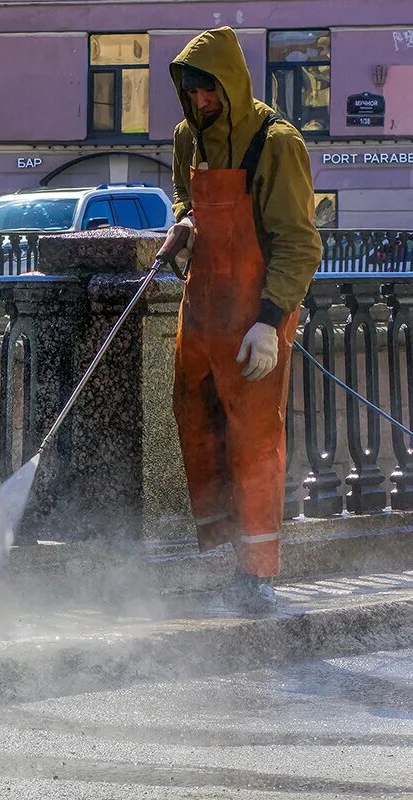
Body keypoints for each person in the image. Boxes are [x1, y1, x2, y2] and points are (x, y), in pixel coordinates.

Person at [166, 28, 322, 614]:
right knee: (198, 423)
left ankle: (255, 574)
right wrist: (184, 221)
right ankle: (220, 558)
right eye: (192, 92)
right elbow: (188, 197)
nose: (201, 102)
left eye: (209, 91)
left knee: (255, 440)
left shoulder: (276, 143)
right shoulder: (189, 138)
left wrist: (270, 321)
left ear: (229, 85)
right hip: (203, 309)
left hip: (255, 313)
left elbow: (300, 244)